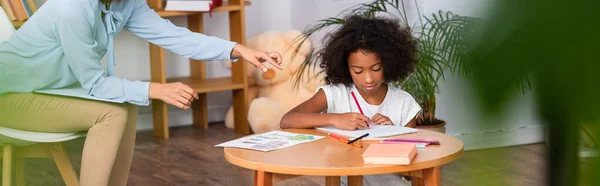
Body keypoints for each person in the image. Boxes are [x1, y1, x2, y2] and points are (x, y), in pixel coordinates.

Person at [0, 0, 282, 185]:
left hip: (45, 91)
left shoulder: (126, 3)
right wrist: (156, 89)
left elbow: (174, 36)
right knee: (111, 112)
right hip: (10, 97)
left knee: (126, 103)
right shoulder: (72, 9)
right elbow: (95, 83)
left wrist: (238, 49)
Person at [280, 15, 421, 131]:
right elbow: (287, 120)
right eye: (358, 71)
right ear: (345, 67)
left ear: (389, 63)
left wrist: (392, 131)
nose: (368, 79)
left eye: (376, 68)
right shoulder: (334, 95)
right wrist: (335, 119)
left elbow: (411, 153)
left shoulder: (404, 103)